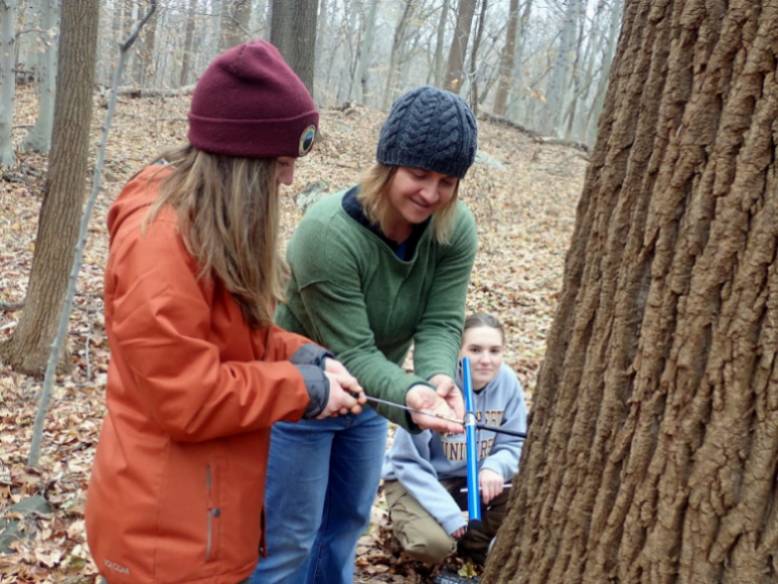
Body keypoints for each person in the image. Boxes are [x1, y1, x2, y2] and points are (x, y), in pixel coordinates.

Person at [85, 40, 365, 584]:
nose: (287, 180)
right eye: (281, 164)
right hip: (161, 539)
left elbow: (234, 339)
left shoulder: (207, 229)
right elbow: (186, 397)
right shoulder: (160, 249)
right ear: (243, 162)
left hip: (205, 520)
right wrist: (301, 390)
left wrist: (306, 355)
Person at [251, 86, 479, 584]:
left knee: (346, 524)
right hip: (303, 393)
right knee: (291, 535)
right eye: (418, 174)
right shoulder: (327, 233)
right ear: (388, 165)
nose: (430, 193)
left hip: (373, 401)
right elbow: (352, 350)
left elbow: (441, 320)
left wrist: (438, 380)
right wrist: (411, 395)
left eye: (447, 181)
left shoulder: (453, 229)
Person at [383, 313, 528, 566]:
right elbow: (407, 462)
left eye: (494, 351)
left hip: (471, 481)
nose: (485, 360)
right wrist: (448, 514)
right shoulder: (435, 387)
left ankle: (472, 544)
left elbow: (515, 443)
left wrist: (496, 466)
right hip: (421, 480)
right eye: (474, 350)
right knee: (432, 545)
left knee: (523, 489)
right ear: (458, 351)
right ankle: (408, 530)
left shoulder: (507, 382)